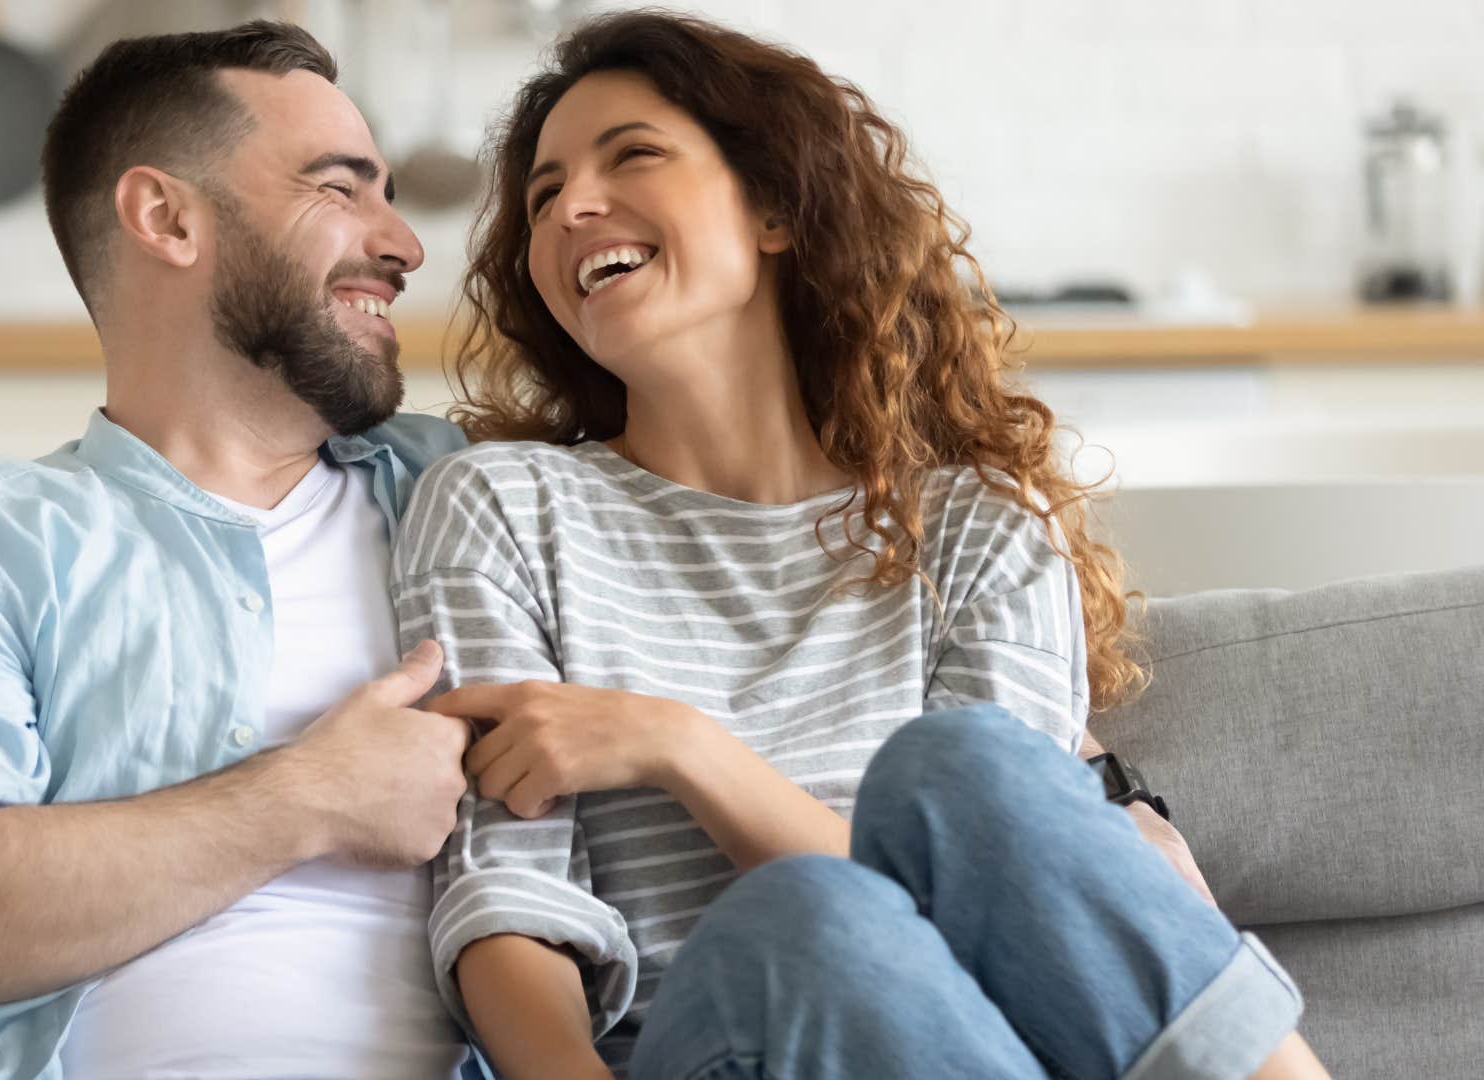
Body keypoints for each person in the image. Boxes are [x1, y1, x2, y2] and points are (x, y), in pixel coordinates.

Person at [389, 12, 1332, 1079]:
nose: (571, 210)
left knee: (966, 770)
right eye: (542, 196)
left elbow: (1012, 908)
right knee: (803, 918)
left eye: (631, 155)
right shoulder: (503, 507)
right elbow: (506, 898)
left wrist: (681, 748)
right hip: (711, 1041)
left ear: (777, 209)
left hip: (977, 1041)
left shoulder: (980, 524)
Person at [0, 23, 480, 1079]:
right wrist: (310, 798)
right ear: (166, 216)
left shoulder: (468, 499)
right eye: (341, 189)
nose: (406, 245)